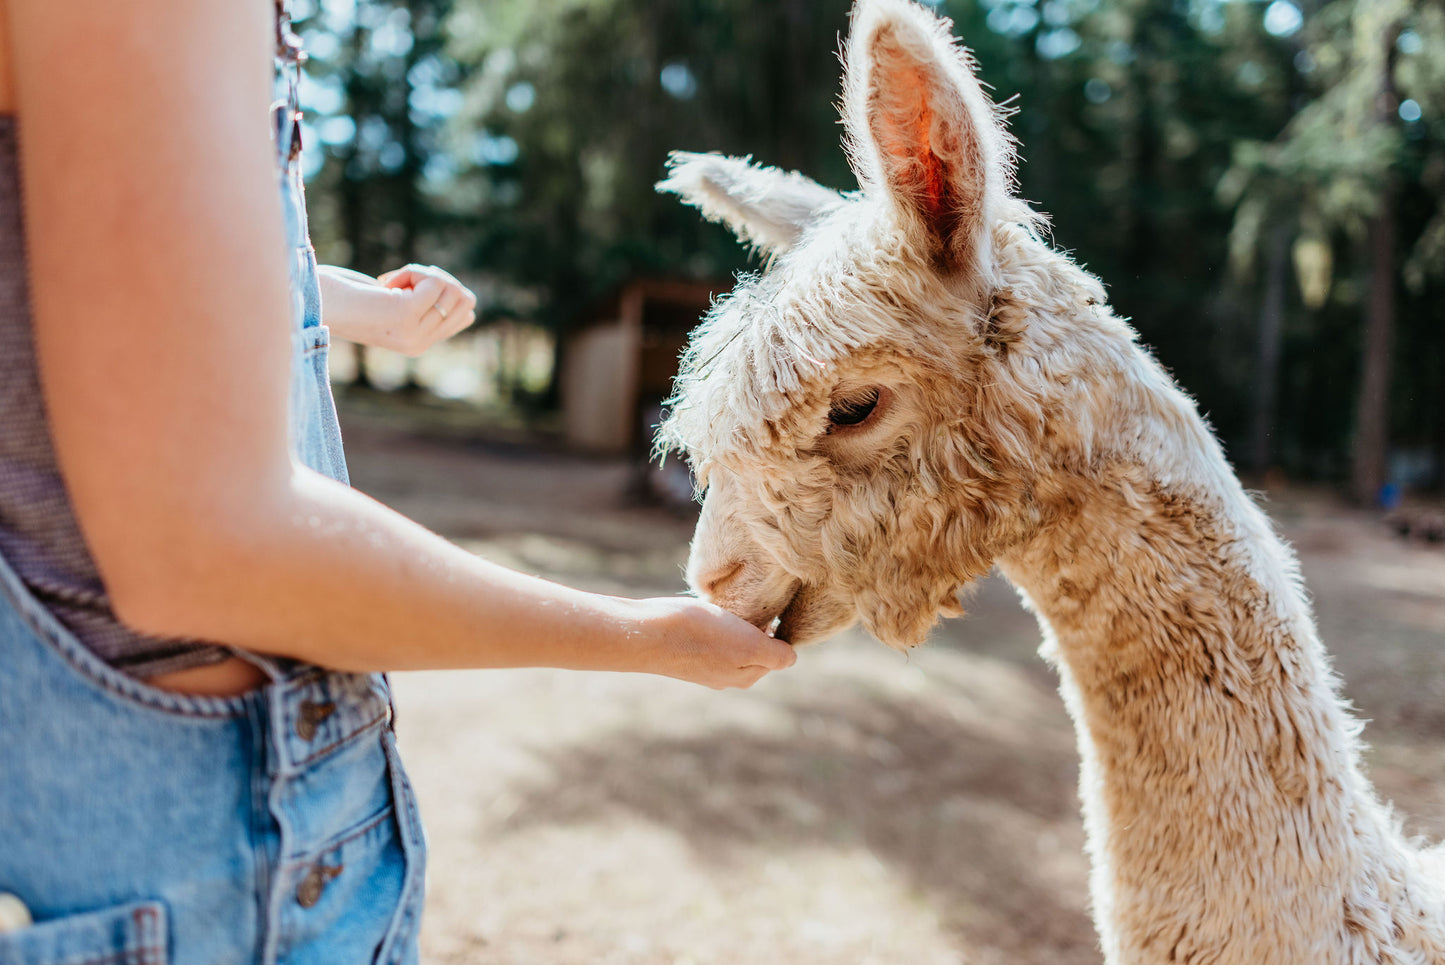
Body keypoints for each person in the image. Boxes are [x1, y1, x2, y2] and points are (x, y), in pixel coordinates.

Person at [0, 2, 795, 963]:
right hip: (215, 865)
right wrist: (646, 637)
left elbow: (87, 225)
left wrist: (334, 297)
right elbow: (206, 545)